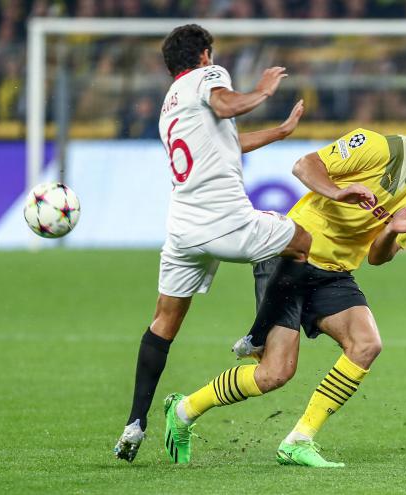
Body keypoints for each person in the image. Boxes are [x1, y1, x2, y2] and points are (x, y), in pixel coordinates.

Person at [163, 88, 406, 467]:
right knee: (274, 374)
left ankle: (299, 439)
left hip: (335, 272)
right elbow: (303, 166)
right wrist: (337, 192)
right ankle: (184, 410)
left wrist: (389, 231)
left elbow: (378, 258)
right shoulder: (374, 145)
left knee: (366, 345)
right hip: (289, 255)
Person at [114, 23, 318, 462]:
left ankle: (135, 424)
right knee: (302, 240)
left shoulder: (169, 106)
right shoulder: (208, 77)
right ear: (205, 54)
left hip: (183, 227)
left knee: (163, 323)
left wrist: (278, 134)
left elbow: (226, 143)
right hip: (223, 219)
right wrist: (261, 92)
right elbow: (225, 106)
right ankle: (257, 335)